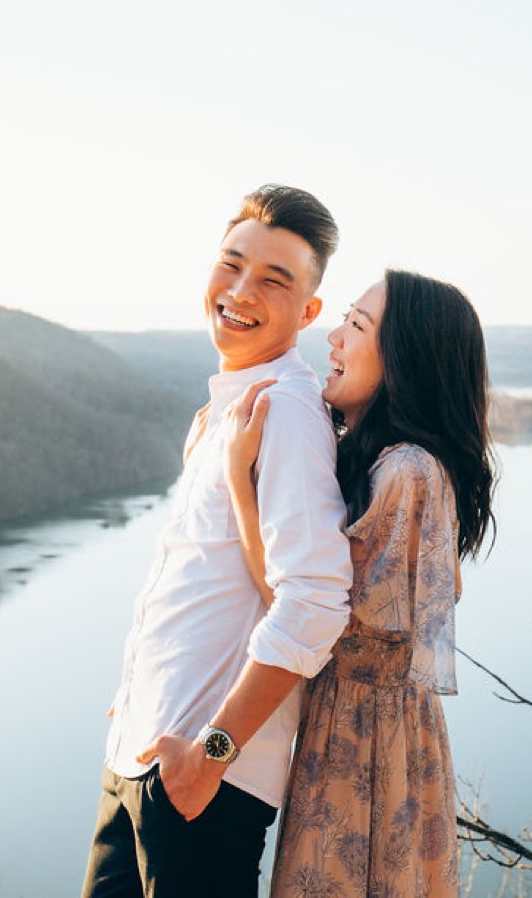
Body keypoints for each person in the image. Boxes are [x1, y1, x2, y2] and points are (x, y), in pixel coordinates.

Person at [80, 185, 354, 898]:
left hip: (203, 790)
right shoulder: (223, 413)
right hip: (144, 763)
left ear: (309, 311)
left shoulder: (284, 410)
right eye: (232, 264)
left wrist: (212, 753)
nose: (240, 290)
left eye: (273, 279)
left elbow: (318, 601)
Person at [219, 269, 497, 896]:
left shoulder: (408, 472)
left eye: (356, 325)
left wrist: (240, 481)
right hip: (355, 735)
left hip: (369, 749)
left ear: (404, 360)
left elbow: (321, 623)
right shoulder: (377, 461)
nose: (334, 339)